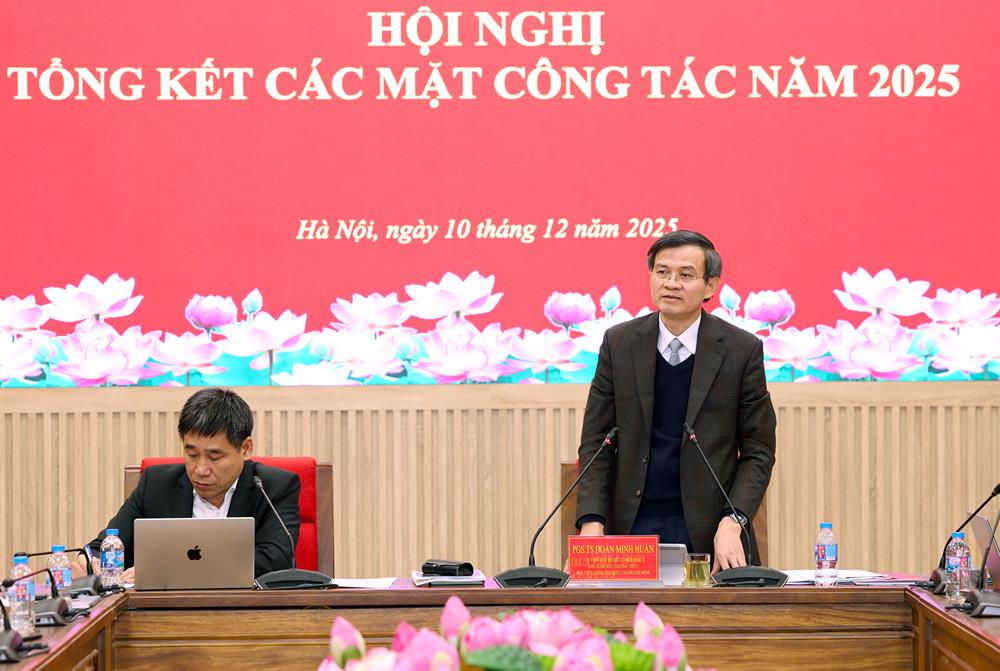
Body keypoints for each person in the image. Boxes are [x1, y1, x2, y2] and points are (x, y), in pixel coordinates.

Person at [574, 230, 776, 574]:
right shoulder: (619, 344)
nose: (671, 283)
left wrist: (733, 521)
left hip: (710, 528)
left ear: (710, 286)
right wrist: (592, 521)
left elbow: (759, 451)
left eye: (685, 275)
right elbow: (596, 442)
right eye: (662, 272)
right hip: (630, 525)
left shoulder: (741, 350)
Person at [73, 387, 300, 581]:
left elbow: (276, 561)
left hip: (246, 612)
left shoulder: (274, 487)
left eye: (215, 457)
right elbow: (107, 544)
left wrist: (167, 568)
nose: (200, 469)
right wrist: (88, 560)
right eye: (192, 454)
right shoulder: (157, 484)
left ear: (245, 448)